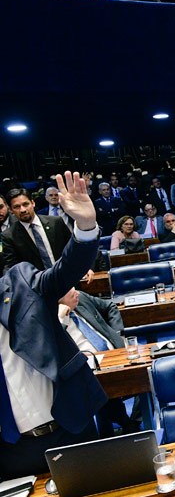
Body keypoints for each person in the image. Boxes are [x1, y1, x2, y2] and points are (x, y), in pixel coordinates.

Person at [0, 171, 106, 480]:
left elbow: (63, 272)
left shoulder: (18, 280)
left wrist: (85, 227)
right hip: (11, 450)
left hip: (69, 428)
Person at [57, 288, 138, 437]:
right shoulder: (52, 320)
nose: (77, 293)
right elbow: (53, 348)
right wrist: (61, 320)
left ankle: (133, 421)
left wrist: (116, 335)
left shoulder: (81, 299)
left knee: (146, 374)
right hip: (89, 367)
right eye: (70, 291)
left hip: (117, 354)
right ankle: (126, 425)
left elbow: (110, 306)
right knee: (98, 387)